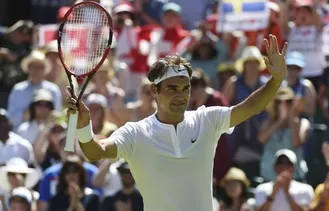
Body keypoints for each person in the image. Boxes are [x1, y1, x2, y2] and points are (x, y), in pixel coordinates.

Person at [66, 35, 287, 211]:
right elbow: (95, 151)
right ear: (155, 91)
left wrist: (276, 80)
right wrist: (84, 126)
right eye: (172, 89)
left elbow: (251, 107)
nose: (181, 96)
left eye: (185, 88)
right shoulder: (136, 133)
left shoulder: (207, 119)